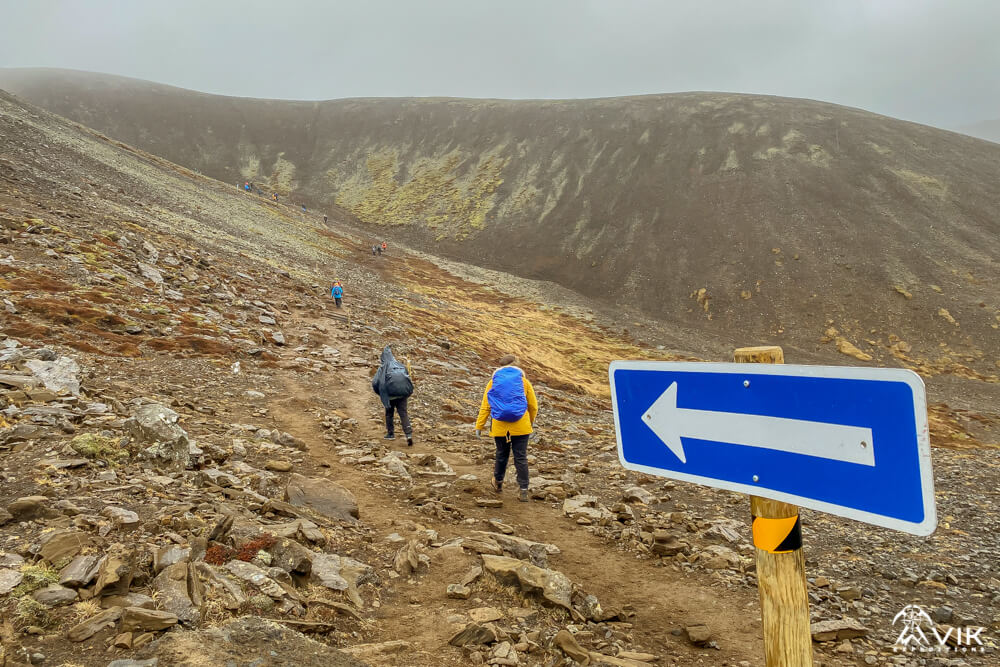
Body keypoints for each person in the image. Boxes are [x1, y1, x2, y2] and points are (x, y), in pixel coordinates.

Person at [475, 354, 538, 502]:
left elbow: (486, 406)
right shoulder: (524, 382)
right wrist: (530, 422)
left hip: (500, 425)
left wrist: (479, 426)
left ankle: (498, 482)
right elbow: (533, 406)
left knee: (501, 454)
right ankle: (523, 490)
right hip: (521, 425)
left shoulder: (493, 382)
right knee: (520, 457)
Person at [372, 345, 414, 446]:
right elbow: (408, 378)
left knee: (389, 414)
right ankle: (408, 434)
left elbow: (375, 382)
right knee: (403, 413)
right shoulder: (400, 365)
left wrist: (381, 393)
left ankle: (390, 434)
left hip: (390, 395)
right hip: (402, 395)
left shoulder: (383, 368)